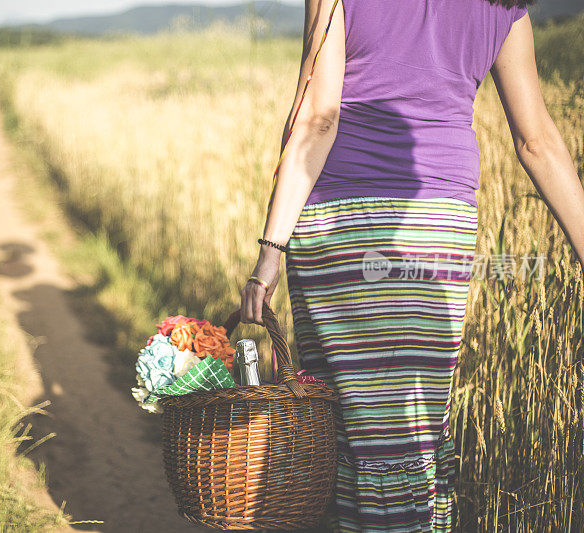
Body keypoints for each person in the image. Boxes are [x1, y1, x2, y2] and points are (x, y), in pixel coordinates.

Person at [239, 0, 584, 530]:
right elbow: (537, 141)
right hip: (438, 227)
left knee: (348, 430)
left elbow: (318, 115)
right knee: (415, 431)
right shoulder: (505, 5)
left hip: (339, 228)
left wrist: (269, 252)